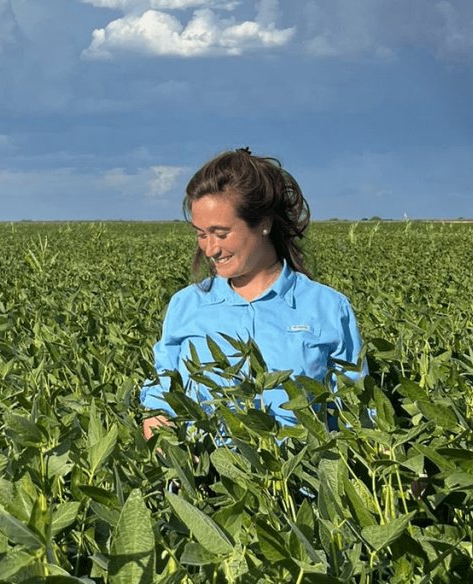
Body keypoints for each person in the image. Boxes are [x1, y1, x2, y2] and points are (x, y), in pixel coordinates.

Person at [141, 147, 365, 440]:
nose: (210, 249)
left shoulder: (327, 307)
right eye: (201, 234)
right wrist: (165, 440)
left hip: (298, 481)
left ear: (264, 224)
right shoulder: (186, 305)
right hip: (204, 481)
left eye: (221, 234)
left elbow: (355, 413)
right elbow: (161, 396)